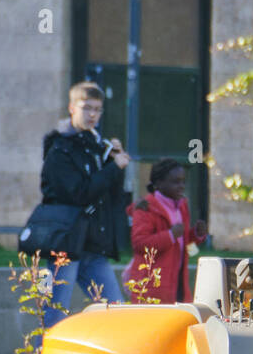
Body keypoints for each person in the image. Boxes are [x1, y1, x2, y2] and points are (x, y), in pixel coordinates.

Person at [39, 82, 131, 329]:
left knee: (116, 312)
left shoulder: (95, 145)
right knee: (53, 314)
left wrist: (113, 162)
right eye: (86, 108)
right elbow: (78, 193)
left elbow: (109, 195)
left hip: (92, 245)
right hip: (63, 246)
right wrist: (112, 168)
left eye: (98, 109)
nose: (92, 115)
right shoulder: (59, 148)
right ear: (72, 108)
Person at [122, 158, 207, 304]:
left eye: (183, 181)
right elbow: (139, 244)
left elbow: (184, 246)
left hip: (178, 286)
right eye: (175, 182)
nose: (181, 186)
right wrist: (170, 235)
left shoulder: (182, 206)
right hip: (151, 289)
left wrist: (196, 235)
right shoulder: (146, 208)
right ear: (158, 183)